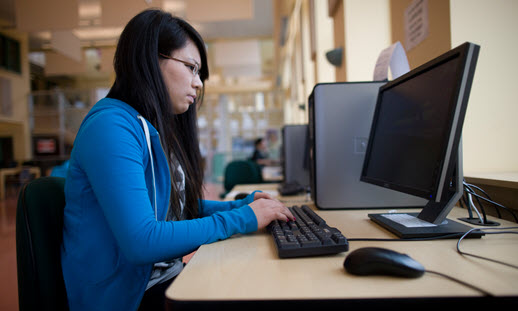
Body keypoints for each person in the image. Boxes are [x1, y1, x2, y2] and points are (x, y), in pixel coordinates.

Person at [61, 9, 295, 311]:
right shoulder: (111, 127)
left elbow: (171, 211)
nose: (198, 84)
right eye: (191, 68)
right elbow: (142, 240)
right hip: (126, 298)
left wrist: (241, 206)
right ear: (150, 59)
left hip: (161, 282)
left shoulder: (150, 128)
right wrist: (244, 218)